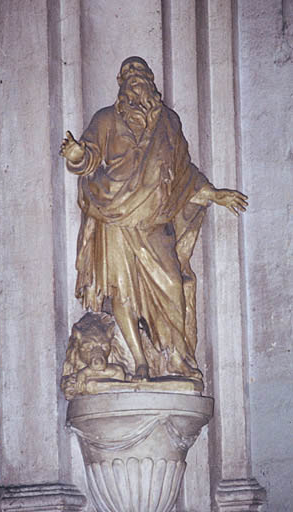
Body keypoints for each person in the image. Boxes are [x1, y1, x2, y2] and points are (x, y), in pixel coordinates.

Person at [59, 56, 247, 381]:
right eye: (129, 74)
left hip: (154, 222)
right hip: (115, 216)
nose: (136, 78)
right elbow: (88, 155)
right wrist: (77, 155)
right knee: (123, 292)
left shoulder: (170, 123)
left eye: (141, 72)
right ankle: (139, 360)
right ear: (121, 83)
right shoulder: (105, 119)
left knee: (173, 284)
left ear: (151, 80)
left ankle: (176, 358)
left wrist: (215, 194)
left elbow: (183, 174)